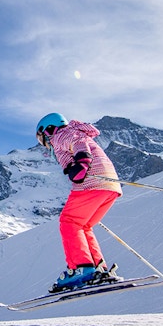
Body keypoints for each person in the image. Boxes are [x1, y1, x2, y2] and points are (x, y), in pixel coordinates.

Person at [36, 112, 123, 292]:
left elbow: (78, 144)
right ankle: (98, 268)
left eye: (42, 138)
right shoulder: (76, 133)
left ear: (48, 130)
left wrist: (81, 163)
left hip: (92, 183)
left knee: (69, 222)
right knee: (83, 226)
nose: (44, 144)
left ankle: (80, 269)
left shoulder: (62, 134)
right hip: (110, 186)